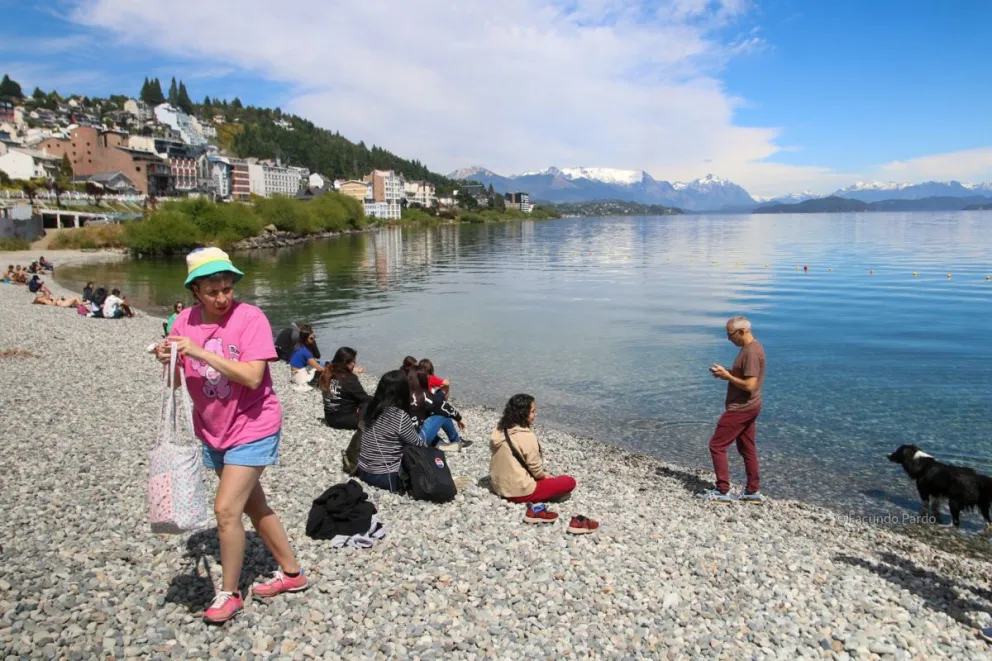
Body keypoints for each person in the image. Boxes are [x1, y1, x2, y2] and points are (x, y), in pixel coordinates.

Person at [154, 247, 307, 625]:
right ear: (195, 291)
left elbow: (253, 376)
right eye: (213, 291)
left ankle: (229, 592)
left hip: (254, 425)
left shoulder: (250, 317)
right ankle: (292, 574)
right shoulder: (183, 323)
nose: (222, 297)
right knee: (253, 506)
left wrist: (199, 353)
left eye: (227, 288)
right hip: (213, 429)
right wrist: (168, 359)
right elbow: (175, 383)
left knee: (225, 510)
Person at [697, 315, 767, 504]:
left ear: (742, 332)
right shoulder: (751, 348)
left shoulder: (751, 352)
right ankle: (752, 492)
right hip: (751, 406)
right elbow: (745, 377)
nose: (729, 339)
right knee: (747, 448)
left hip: (741, 408)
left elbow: (750, 385)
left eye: (730, 335)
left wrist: (728, 377)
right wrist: (726, 373)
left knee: (716, 446)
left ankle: (722, 491)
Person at [489, 393, 576, 508]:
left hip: (497, 485)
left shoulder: (500, 430)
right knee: (569, 481)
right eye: (533, 411)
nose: (535, 415)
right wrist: (544, 476)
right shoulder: (526, 436)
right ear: (522, 413)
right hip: (518, 491)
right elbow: (536, 470)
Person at [355, 370, 426, 493]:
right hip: (384, 477)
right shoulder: (399, 415)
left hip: (363, 470)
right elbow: (418, 444)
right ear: (403, 391)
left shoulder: (369, 407)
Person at [410, 366, 465, 451]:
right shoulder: (423, 395)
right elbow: (444, 407)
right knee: (442, 413)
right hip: (417, 442)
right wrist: (459, 419)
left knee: (427, 417)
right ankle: (455, 441)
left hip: (404, 438)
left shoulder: (404, 393)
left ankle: (439, 444)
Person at [319, 347, 370, 429]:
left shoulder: (327, 373)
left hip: (330, 418)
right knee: (372, 403)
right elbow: (365, 399)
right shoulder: (349, 378)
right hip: (345, 421)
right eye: (353, 361)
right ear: (346, 362)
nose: (354, 364)